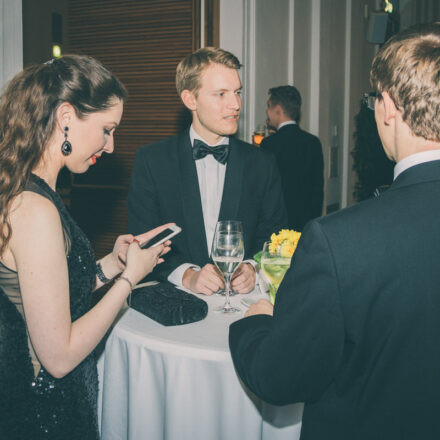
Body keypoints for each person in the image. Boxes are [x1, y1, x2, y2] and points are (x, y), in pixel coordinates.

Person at [229, 22, 440, 439]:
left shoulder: (340, 241)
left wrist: (254, 322)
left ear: (389, 108)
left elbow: (280, 377)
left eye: (374, 100)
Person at [0, 55, 172, 439]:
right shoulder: (35, 209)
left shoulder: (36, 191)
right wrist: (130, 280)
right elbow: (59, 357)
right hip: (45, 414)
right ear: (66, 117)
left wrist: (112, 264)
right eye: (107, 129)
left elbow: (55, 297)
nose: (110, 146)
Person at [127, 47, 287, 296]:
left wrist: (253, 268)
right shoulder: (152, 161)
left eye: (237, 92)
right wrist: (188, 275)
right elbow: (145, 240)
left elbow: (274, 235)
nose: (235, 104)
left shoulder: (262, 163)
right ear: (190, 99)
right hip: (176, 301)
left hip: (242, 308)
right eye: (221, 94)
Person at [261, 85, 324, 231]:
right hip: (306, 222)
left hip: (278, 223)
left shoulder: (269, 144)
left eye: (269, 106)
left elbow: (264, 190)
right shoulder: (313, 142)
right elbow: (318, 190)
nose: (267, 112)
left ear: (278, 110)